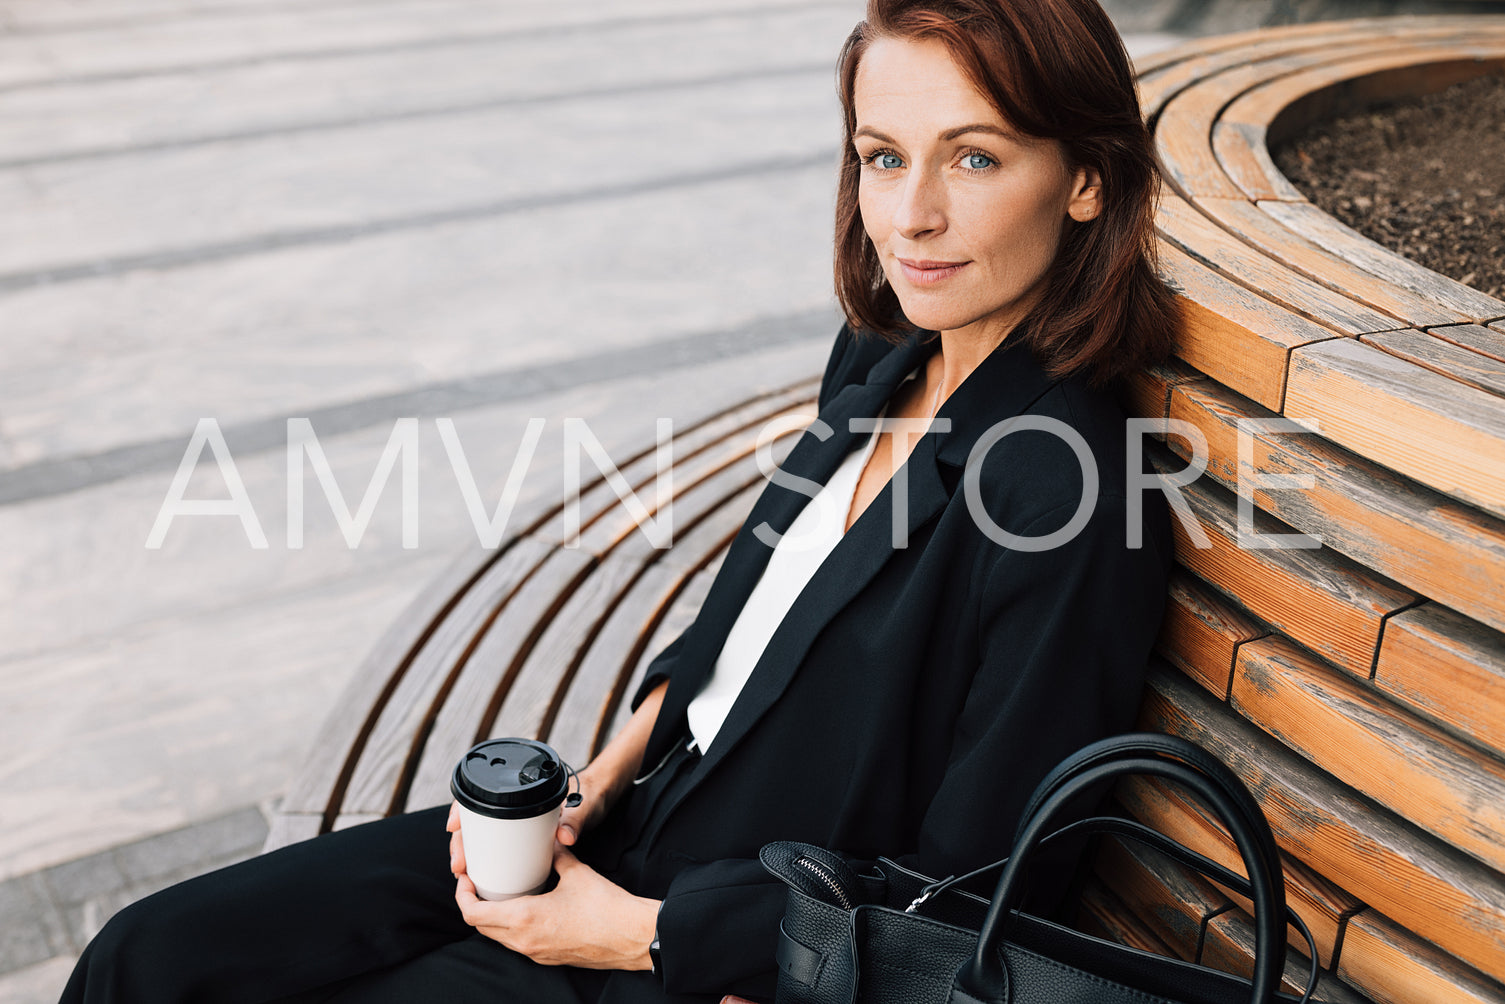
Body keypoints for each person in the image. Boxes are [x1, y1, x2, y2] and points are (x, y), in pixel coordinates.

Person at [60, 0, 1179, 1001]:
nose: (911, 217)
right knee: (143, 955)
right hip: (628, 829)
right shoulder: (885, 349)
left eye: (973, 159)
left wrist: (635, 933)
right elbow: (736, 627)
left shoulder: (1074, 492)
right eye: (882, 158)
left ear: (1084, 177)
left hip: (722, 947)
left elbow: (965, 903)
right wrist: (595, 778)